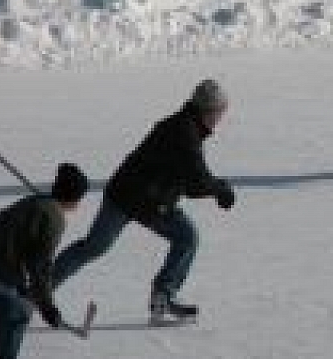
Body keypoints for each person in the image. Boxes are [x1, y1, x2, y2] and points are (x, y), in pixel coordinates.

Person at [51, 79, 236, 323]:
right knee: (185, 236)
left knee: (95, 246)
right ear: (208, 111)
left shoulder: (187, 127)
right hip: (131, 198)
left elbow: (187, 180)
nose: (221, 118)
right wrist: (220, 190)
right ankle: (162, 296)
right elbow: (197, 180)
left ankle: (161, 298)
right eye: (220, 112)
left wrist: (213, 189)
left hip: (140, 198)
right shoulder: (185, 133)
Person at [0, 163, 90, 359]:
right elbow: (40, 267)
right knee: (16, 313)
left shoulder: (36, 203)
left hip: (1, 268)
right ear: (74, 199)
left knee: (14, 307)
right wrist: (47, 307)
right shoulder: (53, 218)